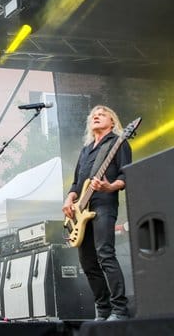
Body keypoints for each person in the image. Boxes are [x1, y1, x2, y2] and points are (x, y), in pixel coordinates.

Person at [62, 105, 131, 321]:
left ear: (113, 121)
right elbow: (76, 183)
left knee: (105, 254)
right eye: (93, 115)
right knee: (88, 262)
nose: (96, 116)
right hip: (82, 211)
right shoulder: (86, 150)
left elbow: (127, 175)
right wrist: (69, 199)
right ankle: (103, 309)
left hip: (104, 204)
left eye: (101, 114)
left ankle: (120, 309)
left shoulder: (118, 143)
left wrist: (110, 187)